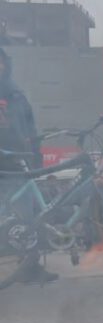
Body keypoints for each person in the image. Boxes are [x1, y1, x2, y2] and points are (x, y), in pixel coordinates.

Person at [0, 48, 57, 283]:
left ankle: (31, 267)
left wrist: (36, 154)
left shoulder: (16, 93)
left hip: (20, 164)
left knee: (29, 218)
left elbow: (30, 129)